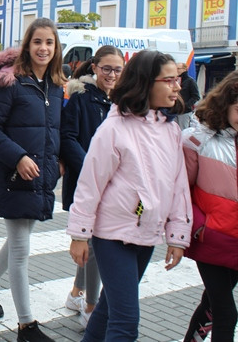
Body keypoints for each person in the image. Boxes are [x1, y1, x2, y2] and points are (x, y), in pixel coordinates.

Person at [67, 50, 192, 341]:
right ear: (146, 82)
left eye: (179, 80)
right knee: (125, 322)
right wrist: (80, 234)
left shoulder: (171, 130)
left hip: (147, 233)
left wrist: (177, 234)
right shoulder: (114, 127)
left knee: (109, 310)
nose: (177, 87)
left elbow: (178, 185)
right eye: (170, 80)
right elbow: (90, 184)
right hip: (112, 236)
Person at [0, 17, 65, 342]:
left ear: (56, 48)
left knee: (19, 239)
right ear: (27, 45)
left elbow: (53, 132)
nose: (43, 48)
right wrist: (19, 157)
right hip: (16, 175)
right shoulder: (10, 82)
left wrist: (59, 162)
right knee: (21, 249)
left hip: (41, 178)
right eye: (37, 41)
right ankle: (26, 326)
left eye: (49, 42)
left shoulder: (55, 86)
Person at [60, 45, 124, 328]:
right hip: (87, 182)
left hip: (114, 185)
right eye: (107, 68)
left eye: (117, 69)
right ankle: (90, 306)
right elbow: (68, 137)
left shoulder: (122, 102)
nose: (111, 74)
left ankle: (76, 293)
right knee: (96, 244)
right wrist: (92, 167)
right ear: (95, 67)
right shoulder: (81, 98)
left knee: (94, 244)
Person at [182, 71, 238, 342]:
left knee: (212, 305)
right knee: (227, 312)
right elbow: (182, 190)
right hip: (211, 238)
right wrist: (200, 225)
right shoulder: (197, 140)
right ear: (225, 104)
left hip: (235, 242)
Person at [175, 61, 201, 130]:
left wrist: (186, 105)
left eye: (178, 68)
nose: (177, 70)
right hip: (174, 111)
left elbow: (196, 96)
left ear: (185, 69)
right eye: (176, 68)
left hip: (184, 112)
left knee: (182, 130)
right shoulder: (175, 80)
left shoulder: (190, 81)